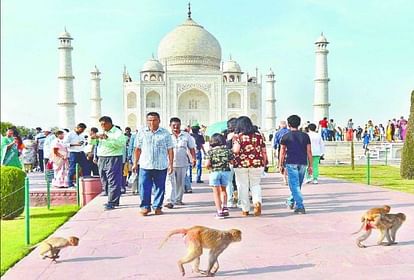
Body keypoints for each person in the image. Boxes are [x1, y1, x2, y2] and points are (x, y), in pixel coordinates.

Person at [132, 112, 174, 216]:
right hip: (145, 165)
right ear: (146, 121)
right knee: (144, 187)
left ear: (159, 120)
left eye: (154, 120)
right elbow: (137, 149)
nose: (152, 122)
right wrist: (135, 163)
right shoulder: (141, 133)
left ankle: (157, 207)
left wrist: (171, 164)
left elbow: (170, 149)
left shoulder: (165, 133)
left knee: (160, 187)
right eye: (149, 120)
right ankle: (145, 207)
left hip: (161, 165)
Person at [232, 116, 268, 217]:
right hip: (256, 163)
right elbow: (263, 151)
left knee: (242, 186)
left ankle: (245, 209)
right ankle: (257, 202)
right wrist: (264, 162)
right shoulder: (258, 136)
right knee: (255, 185)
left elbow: (236, 150)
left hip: (241, 164)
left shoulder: (238, 137)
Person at [279, 115, 312, 214]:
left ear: (289, 125)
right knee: (297, 185)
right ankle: (291, 200)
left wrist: (280, 164)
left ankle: (300, 206)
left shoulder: (286, 136)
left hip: (291, 162)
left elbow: (282, 152)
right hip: (302, 162)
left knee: (295, 185)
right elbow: (309, 151)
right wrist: (310, 165)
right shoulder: (305, 136)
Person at [164, 117, 196, 209]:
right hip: (169, 163)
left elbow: (191, 148)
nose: (175, 127)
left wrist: (193, 159)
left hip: (182, 162)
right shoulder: (167, 136)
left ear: (180, 125)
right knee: (170, 182)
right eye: (173, 125)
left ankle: (178, 200)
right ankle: (169, 200)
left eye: (177, 125)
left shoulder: (186, 135)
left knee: (180, 183)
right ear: (170, 126)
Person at [96, 116, 127, 210]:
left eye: (103, 124)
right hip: (102, 157)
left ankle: (112, 201)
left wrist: (107, 138)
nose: (102, 126)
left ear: (109, 123)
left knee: (113, 179)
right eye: (101, 124)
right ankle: (111, 197)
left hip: (113, 157)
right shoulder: (102, 132)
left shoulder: (117, 132)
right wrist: (93, 138)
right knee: (104, 178)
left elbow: (121, 144)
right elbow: (94, 144)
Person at [206, 133, 233, 219]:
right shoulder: (228, 151)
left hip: (214, 172)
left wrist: (209, 167)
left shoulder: (211, 152)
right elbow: (232, 162)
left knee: (216, 193)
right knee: (223, 190)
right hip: (225, 171)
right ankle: (225, 207)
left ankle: (219, 211)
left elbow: (207, 164)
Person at [64, 123, 91, 187]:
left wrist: (84, 143)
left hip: (81, 152)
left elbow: (84, 142)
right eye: (81, 130)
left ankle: (86, 182)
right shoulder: (70, 134)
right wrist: (75, 144)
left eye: (83, 130)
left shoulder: (82, 135)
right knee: (72, 169)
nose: (82, 131)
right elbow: (64, 144)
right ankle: (70, 184)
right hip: (73, 152)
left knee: (86, 167)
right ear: (77, 128)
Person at [273, 121, 290, 185]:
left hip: (281, 148)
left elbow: (275, 142)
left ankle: (285, 179)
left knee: (282, 164)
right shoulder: (290, 131)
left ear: (280, 126)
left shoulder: (278, 133)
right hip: (290, 148)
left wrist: (274, 149)